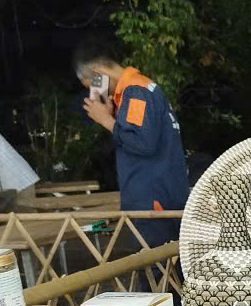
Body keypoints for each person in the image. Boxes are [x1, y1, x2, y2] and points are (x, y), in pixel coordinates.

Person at [73, 38, 189, 248]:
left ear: (98, 73)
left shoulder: (136, 91)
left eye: (91, 85)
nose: (94, 92)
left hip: (152, 201)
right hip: (161, 195)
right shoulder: (138, 89)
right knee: (169, 262)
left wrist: (107, 121)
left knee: (155, 264)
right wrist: (113, 118)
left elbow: (143, 142)